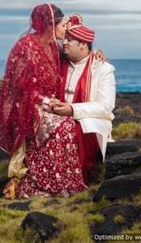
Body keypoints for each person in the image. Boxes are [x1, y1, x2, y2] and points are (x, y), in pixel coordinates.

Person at [0, 3, 87, 199]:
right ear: (50, 25)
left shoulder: (54, 48)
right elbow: (19, 85)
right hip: (26, 106)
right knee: (63, 127)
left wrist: (95, 53)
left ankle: (63, 184)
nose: (66, 29)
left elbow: (78, 55)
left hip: (48, 104)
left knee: (70, 125)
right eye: (62, 25)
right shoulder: (25, 46)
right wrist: (45, 101)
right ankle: (39, 184)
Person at [49, 14, 116, 184]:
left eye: (69, 40)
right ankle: (47, 179)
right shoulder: (58, 63)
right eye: (65, 39)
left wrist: (72, 110)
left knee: (70, 130)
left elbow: (105, 107)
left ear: (83, 45)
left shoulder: (103, 68)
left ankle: (72, 181)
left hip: (90, 120)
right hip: (58, 113)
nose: (64, 43)